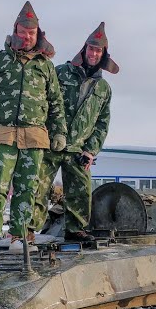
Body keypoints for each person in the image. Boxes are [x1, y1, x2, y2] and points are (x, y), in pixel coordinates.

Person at [0, 1, 67, 263]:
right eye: (22, 32)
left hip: (35, 134)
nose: (26, 37)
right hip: (3, 132)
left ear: (38, 35)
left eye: (31, 33)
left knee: (27, 188)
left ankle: (18, 237)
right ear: (15, 31)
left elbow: (56, 102)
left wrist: (59, 132)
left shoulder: (45, 66)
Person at [31, 22, 117, 242]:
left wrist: (91, 150)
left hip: (79, 148)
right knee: (38, 187)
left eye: (98, 50)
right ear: (84, 49)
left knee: (80, 191)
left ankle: (75, 229)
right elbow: (44, 102)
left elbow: (102, 122)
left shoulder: (103, 88)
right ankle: (29, 230)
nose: (94, 53)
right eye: (91, 49)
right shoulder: (61, 73)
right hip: (51, 142)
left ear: (103, 54)